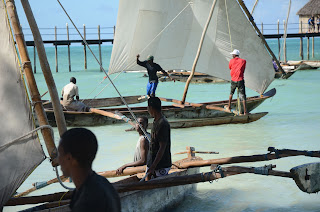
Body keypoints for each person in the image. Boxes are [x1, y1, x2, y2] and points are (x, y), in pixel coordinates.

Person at [57, 128, 121, 212]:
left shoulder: (87, 202)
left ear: (70, 158)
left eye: (59, 154)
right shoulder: (103, 182)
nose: (58, 160)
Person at [145, 97, 172, 181]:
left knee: (158, 184)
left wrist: (153, 166)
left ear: (151, 108)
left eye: (148, 107)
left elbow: (162, 147)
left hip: (161, 164)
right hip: (152, 162)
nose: (147, 109)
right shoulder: (155, 121)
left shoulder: (163, 124)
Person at [225, 49, 248, 115]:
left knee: (231, 93)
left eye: (232, 54)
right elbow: (243, 69)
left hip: (233, 80)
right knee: (243, 96)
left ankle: (229, 107)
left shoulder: (231, 61)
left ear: (234, 55)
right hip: (240, 80)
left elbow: (230, 68)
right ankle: (245, 112)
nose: (232, 55)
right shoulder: (243, 61)